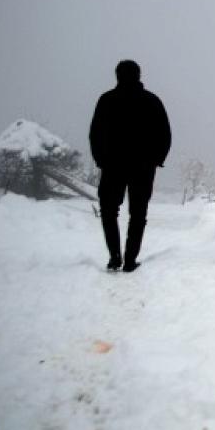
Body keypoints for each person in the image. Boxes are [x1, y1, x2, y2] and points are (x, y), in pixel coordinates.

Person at [89, 60, 171, 272]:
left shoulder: (107, 100)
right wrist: (156, 160)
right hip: (143, 168)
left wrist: (101, 160)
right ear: (139, 75)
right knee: (138, 214)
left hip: (112, 166)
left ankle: (115, 256)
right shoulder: (152, 101)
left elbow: (95, 134)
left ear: (117, 75)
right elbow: (165, 135)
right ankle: (130, 260)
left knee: (108, 211)